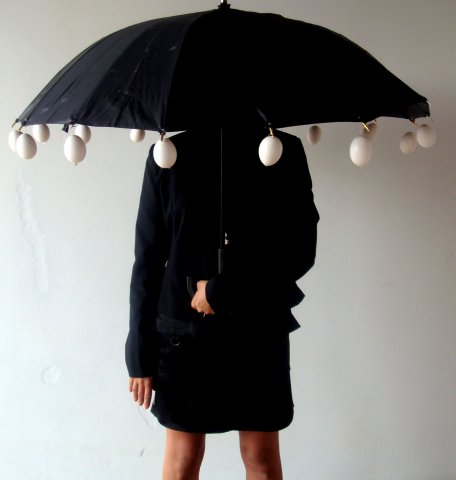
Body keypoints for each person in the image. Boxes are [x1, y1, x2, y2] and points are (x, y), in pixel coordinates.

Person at [125, 126, 319, 480]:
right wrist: (138, 349)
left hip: (258, 329)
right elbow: (148, 259)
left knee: (260, 456)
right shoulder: (167, 155)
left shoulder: (282, 150)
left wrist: (223, 291)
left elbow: (300, 247)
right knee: (184, 458)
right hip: (183, 335)